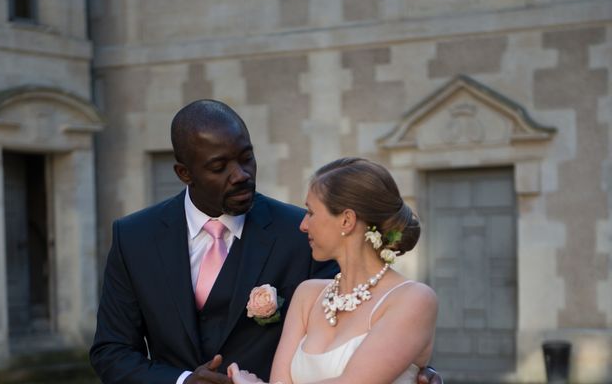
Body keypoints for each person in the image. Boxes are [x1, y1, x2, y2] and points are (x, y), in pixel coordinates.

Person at [90, 99, 442, 384]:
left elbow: (359, 316)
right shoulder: (134, 237)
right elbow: (112, 351)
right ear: (185, 174)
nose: (241, 175)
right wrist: (181, 381)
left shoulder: (300, 232)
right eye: (219, 167)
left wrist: (406, 369)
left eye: (246, 158)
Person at [227, 157, 438, 384]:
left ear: (346, 220)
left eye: (311, 212)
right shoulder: (307, 296)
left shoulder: (413, 299)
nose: (303, 225)